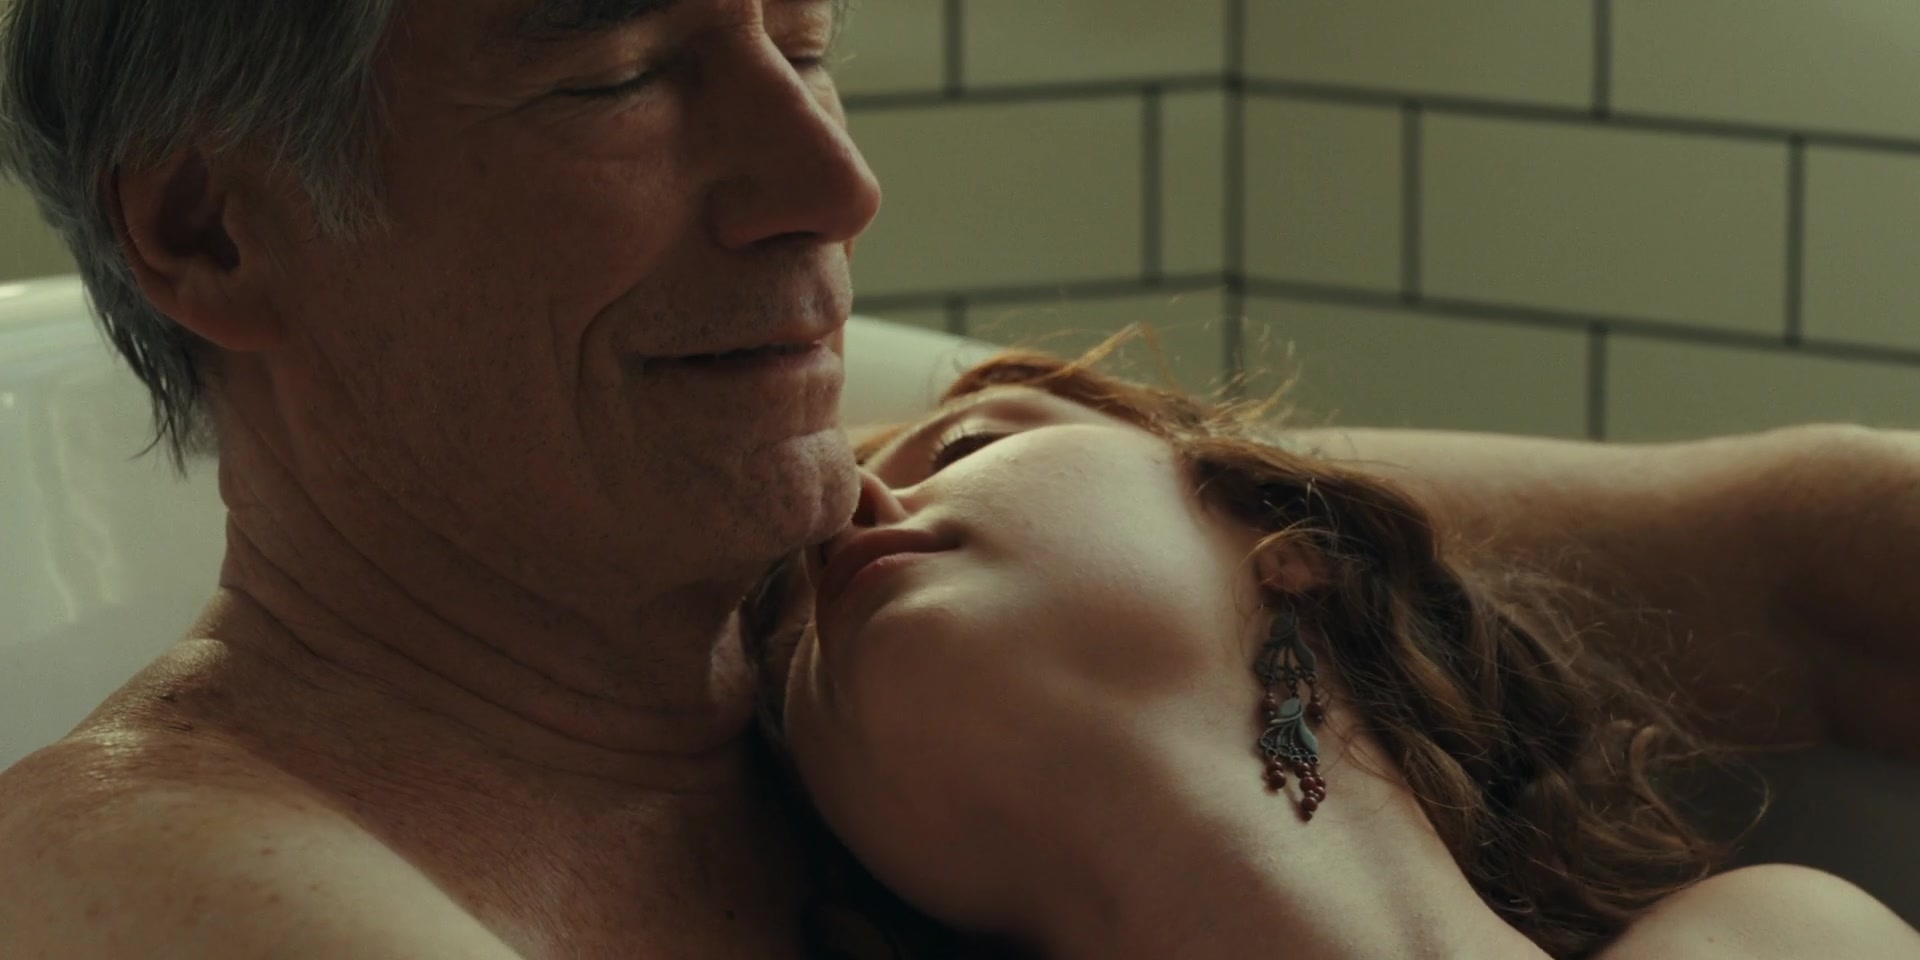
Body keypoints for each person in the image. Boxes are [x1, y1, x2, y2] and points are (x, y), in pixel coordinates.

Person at [1, 1, 1916, 957]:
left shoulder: (956, 577)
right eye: (623, 71)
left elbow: (1834, 559)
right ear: (212, 230)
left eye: (807, 40)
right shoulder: (130, 886)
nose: (833, 186)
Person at [757, 344, 1920, 959]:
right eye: (788, 630)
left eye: (960, 448)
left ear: (1292, 550)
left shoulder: (1779, 938)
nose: (848, 509)